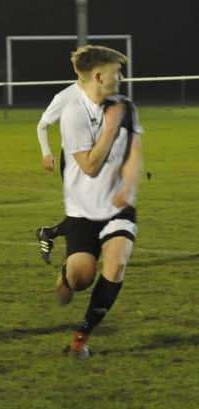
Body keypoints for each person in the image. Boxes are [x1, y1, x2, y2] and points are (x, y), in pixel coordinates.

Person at [55, 45, 143, 358]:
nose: (120, 77)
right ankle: (67, 272)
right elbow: (90, 166)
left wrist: (128, 186)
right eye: (116, 72)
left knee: (116, 263)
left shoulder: (126, 106)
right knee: (81, 278)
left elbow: (133, 153)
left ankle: (81, 337)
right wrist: (108, 129)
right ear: (98, 75)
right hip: (82, 210)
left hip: (119, 208)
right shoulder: (73, 114)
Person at [34, 83, 79, 264]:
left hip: (96, 161)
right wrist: (46, 153)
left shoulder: (101, 96)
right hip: (72, 162)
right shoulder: (65, 97)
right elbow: (42, 125)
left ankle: (50, 234)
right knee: (82, 214)